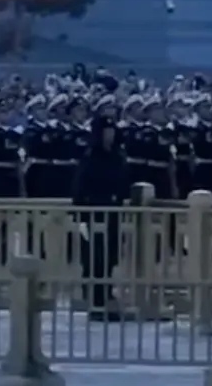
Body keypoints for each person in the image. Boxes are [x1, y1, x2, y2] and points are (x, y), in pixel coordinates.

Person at [72, 116, 134, 318]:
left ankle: (107, 296)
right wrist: (81, 213)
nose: (110, 134)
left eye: (112, 129)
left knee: (111, 255)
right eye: (106, 130)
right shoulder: (91, 155)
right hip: (95, 210)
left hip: (114, 210)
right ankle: (95, 301)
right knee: (94, 257)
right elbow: (81, 185)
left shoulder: (117, 155)